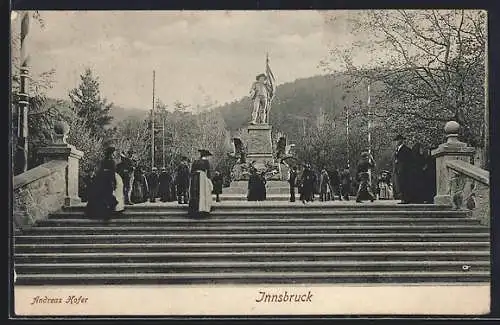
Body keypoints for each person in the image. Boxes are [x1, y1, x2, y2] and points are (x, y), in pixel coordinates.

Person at [85, 147, 124, 220]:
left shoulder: (103, 161)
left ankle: (102, 212)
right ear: (111, 153)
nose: (114, 155)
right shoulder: (112, 162)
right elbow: (112, 172)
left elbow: (100, 171)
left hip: (102, 179)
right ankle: (108, 213)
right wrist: (114, 183)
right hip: (108, 180)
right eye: (113, 153)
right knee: (108, 197)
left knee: (103, 197)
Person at [189, 149, 213, 217]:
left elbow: (191, 171)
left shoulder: (195, 161)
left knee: (195, 192)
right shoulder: (206, 162)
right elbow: (208, 172)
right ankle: (202, 208)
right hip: (202, 177)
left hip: (195, 178)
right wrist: (209, 180)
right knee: (203, 192)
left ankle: (194, 209)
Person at [393, 134, 413, 204]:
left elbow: (408, 161)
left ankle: (406, 199)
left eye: (397, 140)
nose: (396, 142)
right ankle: (403, 199)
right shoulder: (397, 149)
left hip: (404, 170)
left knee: (404, 184)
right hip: (398, 169)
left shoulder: (406, 149)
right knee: (400, 184)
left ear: (401, 140)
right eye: (396, 141)